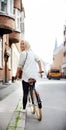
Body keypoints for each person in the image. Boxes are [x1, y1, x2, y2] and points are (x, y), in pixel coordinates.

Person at [16, 40, 43, 111]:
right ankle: (35, 97)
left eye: (23, 44)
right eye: (20, 44)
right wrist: (40, 70)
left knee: (25, 93)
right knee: (32, 88)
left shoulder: (23, 53)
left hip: (26, 76)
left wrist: (17, 73)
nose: (21, 45)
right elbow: (39, 60)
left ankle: (24, 109)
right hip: (34, 76)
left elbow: (19, 66)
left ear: (26, 45)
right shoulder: (33, 53)